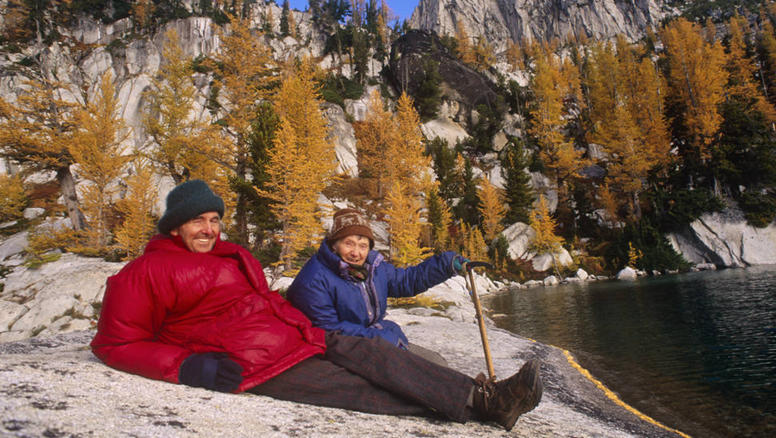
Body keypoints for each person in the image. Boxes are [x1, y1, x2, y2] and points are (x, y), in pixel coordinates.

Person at [91, 180, 542, 431]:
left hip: (299, 336)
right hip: (253, 363)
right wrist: (192, 368)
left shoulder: (234, 256)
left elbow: (267, 301)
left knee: (375, 354)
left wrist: (306, 327)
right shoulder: (142, 274)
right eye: (198, 221)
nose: (209, 230)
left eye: (214, 220)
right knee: (357, 390)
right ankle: (480, 408)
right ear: (175, 228)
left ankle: (488, 396)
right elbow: (116, 343)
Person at [287, 208, 465, 360]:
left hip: (371, 339)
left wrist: (447, 264)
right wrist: (380, 339)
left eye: (363, 246)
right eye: (349, 244)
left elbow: (406, 281)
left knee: (436, 361)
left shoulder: (373, 268)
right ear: (334, 245)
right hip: (340, 351)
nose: (356, 253)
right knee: (429, 374)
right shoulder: (314, 279)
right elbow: (327, 330)